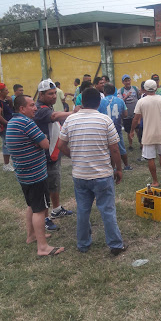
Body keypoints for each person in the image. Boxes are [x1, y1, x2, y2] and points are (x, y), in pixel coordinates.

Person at [58, 88, 127, 256]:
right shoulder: (105, 120)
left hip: (80, 175)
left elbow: (60, 146)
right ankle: (115, 245)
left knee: (82, 210)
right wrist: (118, 169)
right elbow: (115, 150)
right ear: (99, 103)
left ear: (81, 102)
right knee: (107, 210)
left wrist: (73, 156)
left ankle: (83, 244)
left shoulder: (70, 120)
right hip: (102, 174)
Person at [6, 95, 64, 257]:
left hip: (24, 174)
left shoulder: (12, 122)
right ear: (22, 109)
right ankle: (43, 247)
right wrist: (43, 139)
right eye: (31, 105)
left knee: (32, 205)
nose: (35, 108)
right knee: (40, 210)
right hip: (35, 175)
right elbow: (45, 144)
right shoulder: (26, 123)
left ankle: (31, 235)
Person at [34, 79, 76, 231]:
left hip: (53, 154)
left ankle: (56, 209)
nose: (53, 96)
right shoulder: (40, 109)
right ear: (41, 94)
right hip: (45, 156)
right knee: (45, 187)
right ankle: (44, 218)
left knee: (54, 183)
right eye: (50, 94)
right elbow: (54, 117)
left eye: (54, 93)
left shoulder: (48, 106)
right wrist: (74, 113)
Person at [130, 79, 161, 186]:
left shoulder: (141, 101)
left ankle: (155, 181)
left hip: (148, 134)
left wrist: (132, 130)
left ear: (144, 89)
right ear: (156, 88)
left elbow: (136, 119)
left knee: (150, 158)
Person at [98, 83, 132, 170]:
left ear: (104, 91)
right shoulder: (120, 101)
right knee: (121, 147)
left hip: (104, 128)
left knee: (108, 149)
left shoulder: (101, 102)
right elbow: (125, 114)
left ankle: (112, 167)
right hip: (117, 127)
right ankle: (126, 165)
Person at [0, 82, 14, 171]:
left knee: (8, 143)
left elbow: (10, 110)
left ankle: (8, 163)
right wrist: (7, 123)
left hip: (7, 125)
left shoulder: (4, 101)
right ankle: (6, 164)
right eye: (6, 90)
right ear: (1, 92)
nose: (8, 92)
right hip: (4, 127)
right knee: (6, 144)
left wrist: (10, 102)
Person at [117, 74, 140, 150]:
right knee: (128, 130)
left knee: (137, 129)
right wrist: (126, 96)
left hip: (135, 114)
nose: (127, 82)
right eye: (126, 81)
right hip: (127, 114)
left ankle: (141, 144)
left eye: (128, 80)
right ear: (123, 82)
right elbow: (120, 101)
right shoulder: (120, 91)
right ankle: (130, 145)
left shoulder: (135, 89)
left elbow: (139, 99)